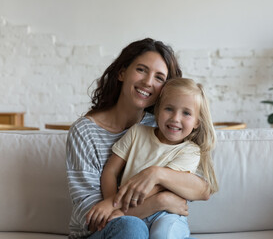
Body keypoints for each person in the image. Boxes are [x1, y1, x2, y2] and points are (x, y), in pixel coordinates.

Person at [66, 38, 211, 239]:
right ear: (122, 72)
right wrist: (159, 202)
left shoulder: (166, 126)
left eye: (159, 77)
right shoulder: (85, 132)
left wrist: (156, 174)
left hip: (147, 227)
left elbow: (201, 189)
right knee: (131, 227)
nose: (148, 82)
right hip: (100, 232)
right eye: (141, 70)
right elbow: (91, 216)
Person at [86, 78, 218, 238]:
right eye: (169, 109)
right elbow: (111, 171)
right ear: (157, 110)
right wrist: (111, 203)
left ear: (197, 122)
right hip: (128, 214)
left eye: (186, 113)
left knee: (164, 234)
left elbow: (158, 187)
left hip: (166, 214)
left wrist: (119, 208)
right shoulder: (137, 133)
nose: (176, 118)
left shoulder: (190, 151)